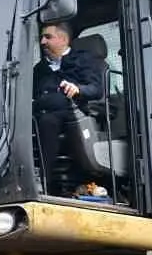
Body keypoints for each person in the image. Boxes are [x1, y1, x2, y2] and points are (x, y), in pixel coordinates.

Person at [32, 20, 106, 190]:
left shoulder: (83, 59)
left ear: (63, 39)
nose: (42, 42)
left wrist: (78, 88)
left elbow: (96, 89)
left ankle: (44, 182)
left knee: (47, 122)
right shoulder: (39, 69)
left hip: (73, 111)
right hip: (39, 112)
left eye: (47, 37)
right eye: (42, 38)